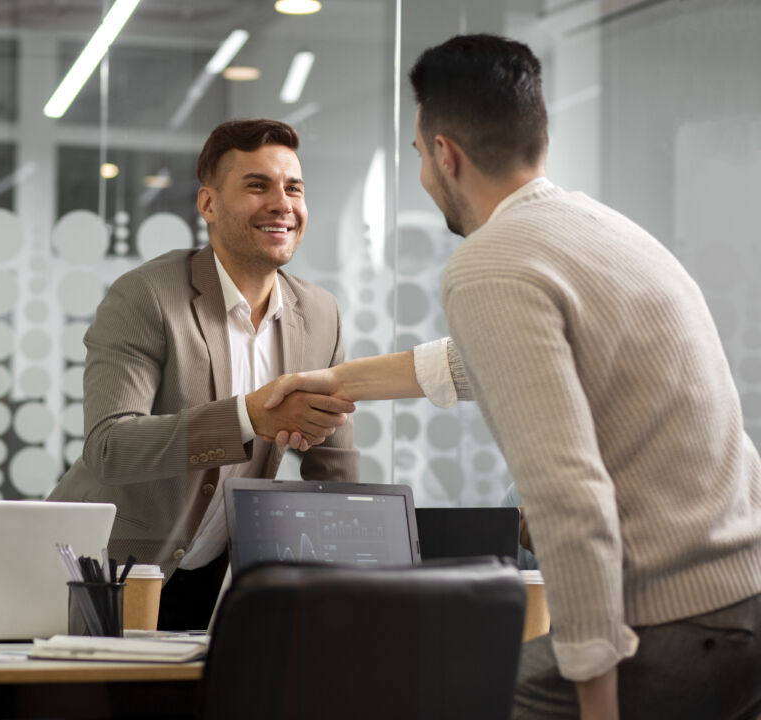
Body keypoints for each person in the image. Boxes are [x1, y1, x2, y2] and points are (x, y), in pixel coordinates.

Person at [261, 35, 761, 719]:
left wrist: (596, 695)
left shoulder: (491, 262)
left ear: (445, 155)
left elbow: (568, 493)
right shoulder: (601, 232)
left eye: (417, 156)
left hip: (670, 630)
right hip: (742, 606)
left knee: (413, 692)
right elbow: (486, 361)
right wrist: (335, 382)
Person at [49, 118, 464, 630]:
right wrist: (250, 415)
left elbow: (332, 467)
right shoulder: (148, 296)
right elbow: (110, 446)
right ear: (207, 205)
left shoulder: (319, 312)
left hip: (206, 573)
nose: (282, 204)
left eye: (294, 188)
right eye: (257, 185)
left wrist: (350, 588)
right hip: (105, 572)